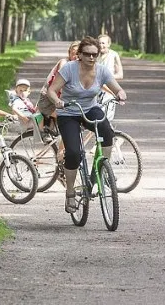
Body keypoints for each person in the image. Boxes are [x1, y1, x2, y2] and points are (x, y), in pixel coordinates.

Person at [41, 37, 127, 213]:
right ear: (79, 55)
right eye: (87, 54)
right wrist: (57, 101)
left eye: (94, 54)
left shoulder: (102, 70)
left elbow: (117, 88)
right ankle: (70, 192)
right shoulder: (69, 69)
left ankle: (102, 168)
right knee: (73, 153)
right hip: (69, 112)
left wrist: (121, 93)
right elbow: (51, 90)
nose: (91, 58)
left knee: (108, 133)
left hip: (89, 109)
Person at [96, 34, 123, 121]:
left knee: (106, 119)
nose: (101, 45)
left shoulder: (114, 55)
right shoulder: (95, 56)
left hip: (109, 90)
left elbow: (120, 75)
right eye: (99, 43)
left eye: (103, 43)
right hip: (96, 91)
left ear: (109, 44)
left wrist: (106, 77)